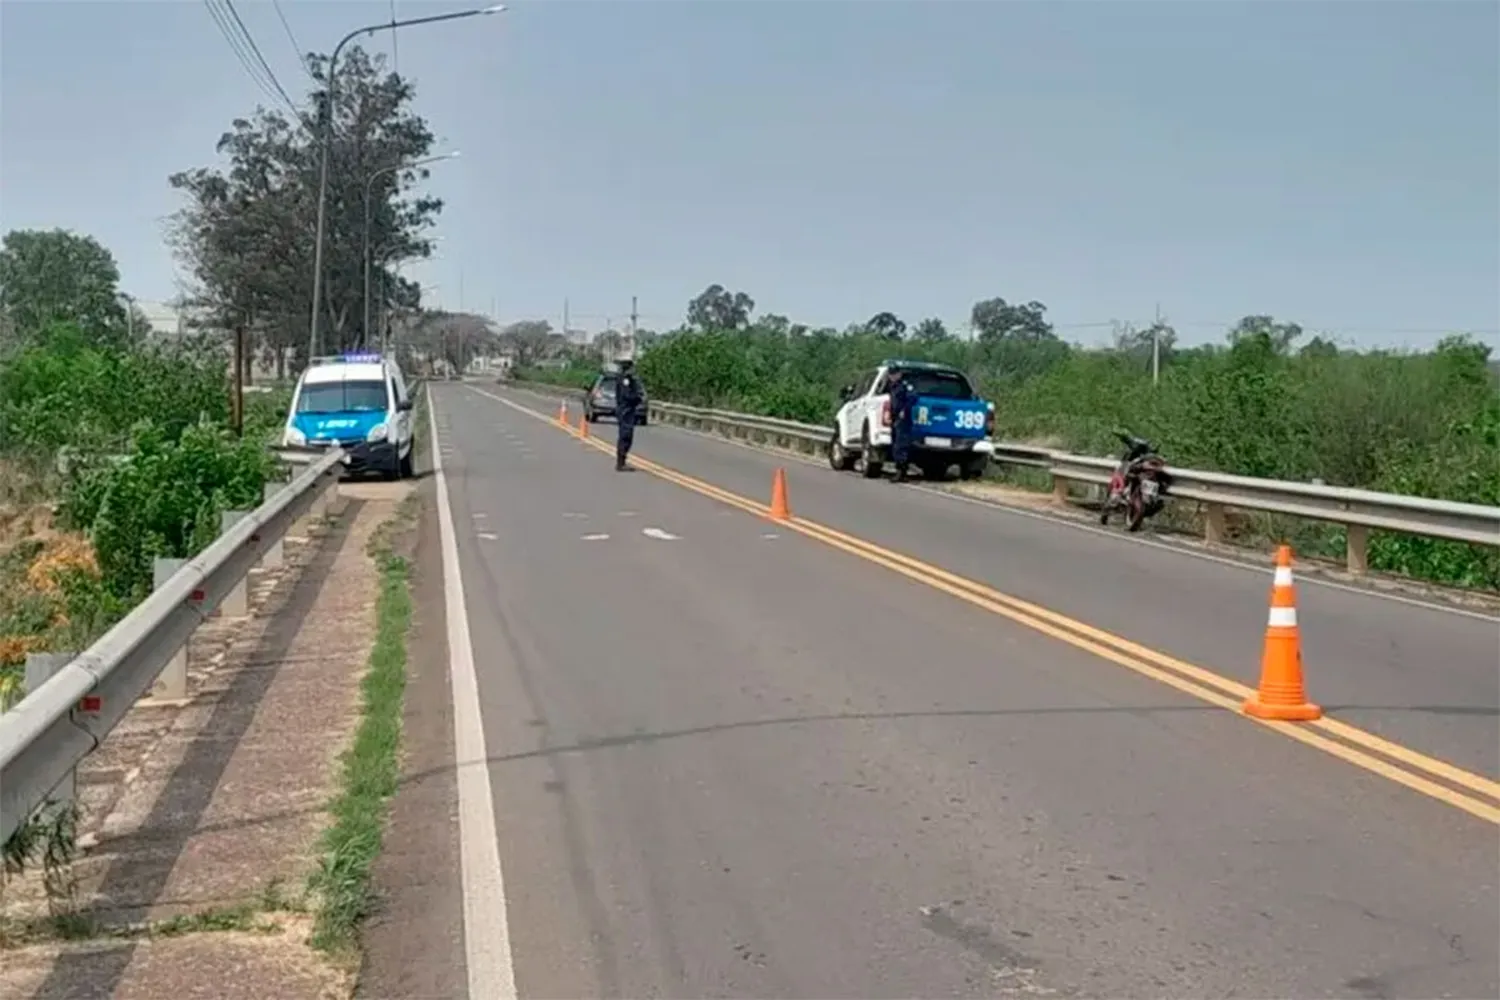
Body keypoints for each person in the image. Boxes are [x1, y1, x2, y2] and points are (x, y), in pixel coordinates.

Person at [614, 359, 644, 471]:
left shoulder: (626, 379)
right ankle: (621, 463)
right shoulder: (625, 380)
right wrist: (638, 398)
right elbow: (627, 395)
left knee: (627, 435)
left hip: (627, 409)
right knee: (625, 435)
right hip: (625, 410)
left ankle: (622, 461)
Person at [888, 371, 915, 483]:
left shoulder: (905, 385)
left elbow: (913, 398)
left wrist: (905, 410)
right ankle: (899, 471)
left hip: (903, 419)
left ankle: (901, 472)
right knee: (895, 445)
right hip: (895, 418)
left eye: (894, 374)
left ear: (899, 374)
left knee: (901, 445)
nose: (892, 376)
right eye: (891, 374)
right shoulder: (892, 386)